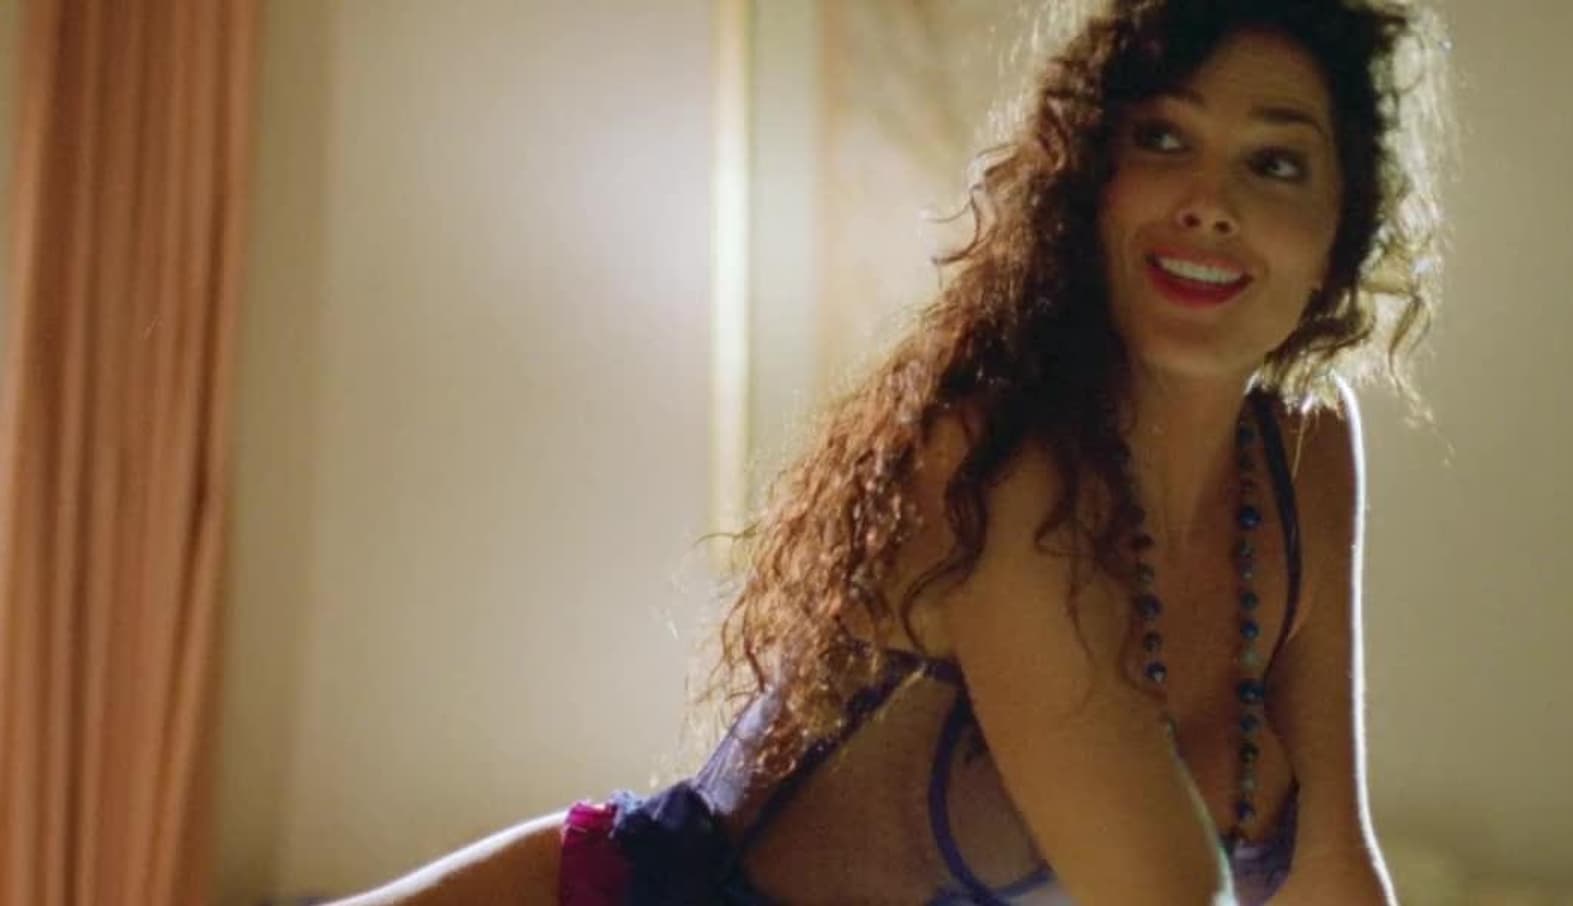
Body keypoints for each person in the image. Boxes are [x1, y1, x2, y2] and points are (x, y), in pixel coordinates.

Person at [337, 0, 1449, 902]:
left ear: (1340, 235)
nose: (1210, 202)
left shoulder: (1302, 455)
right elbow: (1164, 892)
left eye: (1276, 164)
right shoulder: (1006, 466)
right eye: (1162, 139)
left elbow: (1334, 870)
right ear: (1088, 185)